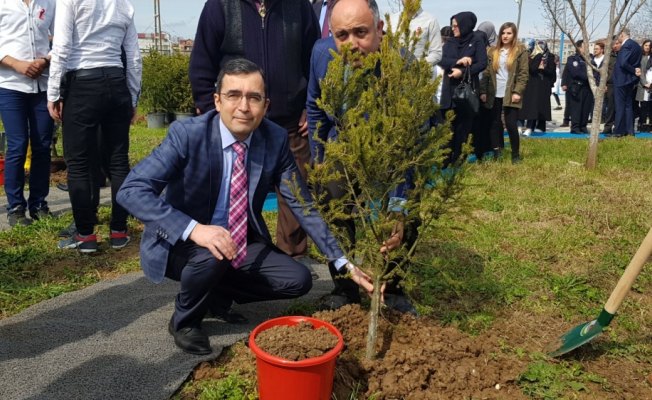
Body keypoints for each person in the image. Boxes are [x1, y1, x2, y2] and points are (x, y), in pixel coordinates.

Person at [117, 58, 376, 355]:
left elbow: (301, 203)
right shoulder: (188, 135)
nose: (244, 106)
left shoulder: (274, 138)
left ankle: (214, 293)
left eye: (254, 97)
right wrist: (195, 230)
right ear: (217, 100)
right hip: (183, 242)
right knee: (211, 254)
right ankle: (185, 321)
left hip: (238, 239)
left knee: (298, 280)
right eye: (233, 95)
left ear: (266, 105)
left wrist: (342, 262)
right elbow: (131, 190)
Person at [306, 0, 417, 313]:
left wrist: (397, 208)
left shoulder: (401, 65)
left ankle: (393, 289)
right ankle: (345, 288)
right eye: (341, 35)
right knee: (333, 201)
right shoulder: (320, 54)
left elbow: (405, 144)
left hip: (388, 148)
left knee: (404, 211)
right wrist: (319, 154)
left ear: (380, 30)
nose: (351, 44)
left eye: (360, 32)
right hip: (341, 140)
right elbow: (315, 105)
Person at [189, 0, 319, 259]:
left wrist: (310, 104)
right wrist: (214, 112)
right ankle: (233, 257)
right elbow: (202, 65)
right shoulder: (220, 6)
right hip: (238, 124)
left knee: (296, 195)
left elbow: (313, 59)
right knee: (232, 194)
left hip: (291, 123)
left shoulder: (298, 7)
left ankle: (291, 259)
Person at [47, 0, 141, 252]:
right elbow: (133, 55)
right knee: (118, 161)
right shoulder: (124, 4)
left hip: (83, 82)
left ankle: (86, 235)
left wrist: (54, 92)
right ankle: (119, 231)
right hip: (116, 80)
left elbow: (62, 46)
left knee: (77, 163)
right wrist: (133, 96)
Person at [0, 0, 56, 227]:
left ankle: (39, 204)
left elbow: (61, 40)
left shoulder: (50, 4)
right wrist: (16, 64)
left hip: (42, 85)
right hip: (10, 85)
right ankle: (15, 206)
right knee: (17, 144)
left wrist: (44, 60)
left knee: (43, 145)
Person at [438, 11, 487, 166]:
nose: (454, 29)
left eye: (456, 26)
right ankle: (445, 159)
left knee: (463, 127)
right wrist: (458, 61)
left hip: (465, 90)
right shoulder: (450, 42)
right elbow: (442, 60)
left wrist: (464, 70)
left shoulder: (476, 40)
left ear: (465, 25)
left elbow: (482, 63)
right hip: (449, 91)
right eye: (452, 25)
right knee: (447, 127)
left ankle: (458, 159)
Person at [479, 22, 529, 163]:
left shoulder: (520, 51)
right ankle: (497, 152)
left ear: (514, 35)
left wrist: (517, 91)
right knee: (494, 123)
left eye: (509, 33)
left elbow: (523, 74)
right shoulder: (492, 51)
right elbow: (486, 73)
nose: (505, 36)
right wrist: (483, 91)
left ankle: (515, 155)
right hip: (494, 92)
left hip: (511, 93)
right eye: (503, 33)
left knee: (511, 124)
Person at [519, 40, 556, 135]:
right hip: (533, 84)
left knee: (542, 106)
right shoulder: (533, 55)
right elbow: (531, 69)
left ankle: (541, 125)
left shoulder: (550, 56)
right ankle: (528, 125)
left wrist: (543, 68)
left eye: (542, 46)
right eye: (539, 46)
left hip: (544, 84)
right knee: (532, 105)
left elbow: (552, 72)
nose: (541, 48)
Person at [613, 27, 642, 136]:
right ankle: (629, 130)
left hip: (622, 79)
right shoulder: (637, 46)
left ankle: (619, 131)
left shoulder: (627, 45)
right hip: (629, 80)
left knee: (620, 105)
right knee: (628, 106)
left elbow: (623, 63)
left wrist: (634, 70)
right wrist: (635, 70)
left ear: (622, 34)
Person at [565, 40, 593, 134]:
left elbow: (595, 71)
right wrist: (589, 76)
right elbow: (575, 72)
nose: (587, 48)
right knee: (576, 108)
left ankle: (583, 126)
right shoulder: (572, 59)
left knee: (586, 107)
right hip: (577, 87)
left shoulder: (590, 58)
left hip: (588, 87)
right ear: (579, 48)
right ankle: (575, 127)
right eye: (585, 46)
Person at [603, 37, 621, 134]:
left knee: (619, 108)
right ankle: (607, 127)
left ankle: (618, 127)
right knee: (610, 107)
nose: (615, 46)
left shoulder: (623, 55)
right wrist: (604, 84)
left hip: (621, 85)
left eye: (617, 43)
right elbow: (604, 71)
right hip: (610, 84)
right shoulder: (609, 56)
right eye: (613, 44)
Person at [635, 39, 651, 132]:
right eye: (646, 45)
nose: (647, 47)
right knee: (643, 106)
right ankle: (642, 125)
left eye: (649, 45)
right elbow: (640, 72)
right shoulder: (640, 57)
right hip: (642, 85)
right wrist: (645, 83)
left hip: (651, 85)